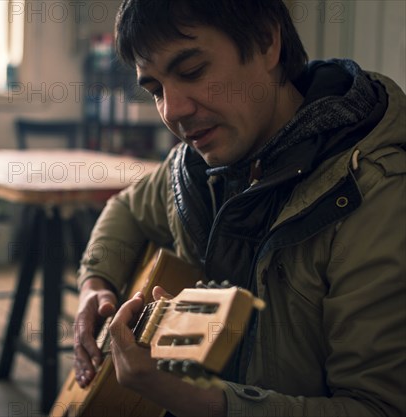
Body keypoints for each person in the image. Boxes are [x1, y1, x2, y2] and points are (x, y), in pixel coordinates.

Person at [72, 0, 406, 416]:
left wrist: (186, 398)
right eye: (156, 89)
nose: (171, 111)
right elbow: (126, 208)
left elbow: (378, 408)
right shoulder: (191, 169)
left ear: (267, 41)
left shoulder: (374, 191)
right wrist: (95, 284)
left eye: (192, 71)